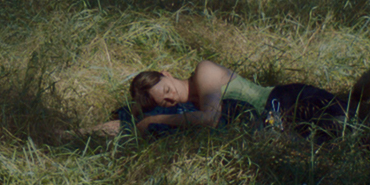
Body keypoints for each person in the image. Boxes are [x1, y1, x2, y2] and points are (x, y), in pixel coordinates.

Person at [80, 60, 348, 140]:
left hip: (286, 100)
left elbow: (210, 118)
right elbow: (129, 124)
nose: (172, 98)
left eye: (168, 89)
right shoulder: (185, 111)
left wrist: (155, 118)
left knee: (345, 127)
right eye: (165, 101)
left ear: (167, 73)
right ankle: (70, 135)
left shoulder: (203, 72)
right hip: (273, 124)